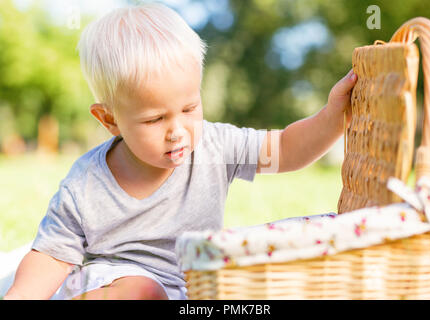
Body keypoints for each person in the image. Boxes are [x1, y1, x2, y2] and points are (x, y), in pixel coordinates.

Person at [4, 2, 356, 300]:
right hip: (113, 280)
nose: (177, 132)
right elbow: (50, 256)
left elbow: (285, 148)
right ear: (109, 119)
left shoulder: (215, 146)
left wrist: (332, 117)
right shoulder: (85, 185)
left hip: (190, 289)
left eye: (189, 108)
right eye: (155, 119)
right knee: (140, 290)